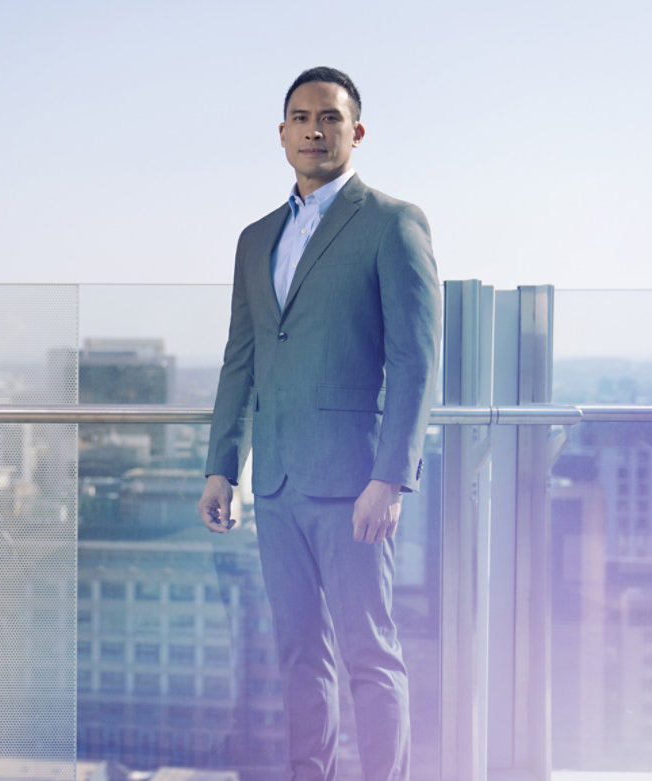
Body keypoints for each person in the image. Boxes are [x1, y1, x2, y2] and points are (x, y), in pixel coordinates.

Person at [197, 66, 440, 781]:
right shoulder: (255, 238)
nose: (314, 129)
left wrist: (390, 477)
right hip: (273, 485)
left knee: (370, 653)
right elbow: (239, 359)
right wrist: (221, 464)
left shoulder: (392, 223)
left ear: (355, 132)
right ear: (281, 135)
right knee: (299, 654)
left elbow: (416, 359)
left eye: (330, 118)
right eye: (301, 118)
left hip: (355, 484)